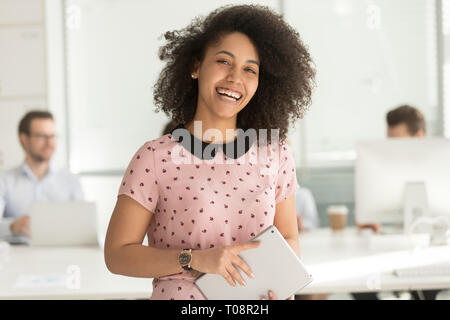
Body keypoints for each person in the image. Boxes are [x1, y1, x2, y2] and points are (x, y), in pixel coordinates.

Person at [104, 5, 315, 300]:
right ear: (195, 67)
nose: (234, 78)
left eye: (249, 70)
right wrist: (193, 259)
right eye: (224, 62)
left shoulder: (275, 153)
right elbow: (117, 255)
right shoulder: (154, 157)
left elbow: (288, 237)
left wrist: (282, 285)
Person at [354, 105, 440, 300]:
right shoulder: (383, 168)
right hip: (392, 249)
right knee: (359, 285)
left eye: (397, 144)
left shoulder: (440, 166)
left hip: (431, 251)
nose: (389, 151)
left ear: (419, 137)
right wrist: (371, 219)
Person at [0, 110, 84, 239]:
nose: (50, 143)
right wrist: (12, 226)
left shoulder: (70, 180)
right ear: (24, 140)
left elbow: (83, 225)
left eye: (52, 136)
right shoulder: (5, 180)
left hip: (62, 254)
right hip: (17, 255)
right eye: (42, 136)